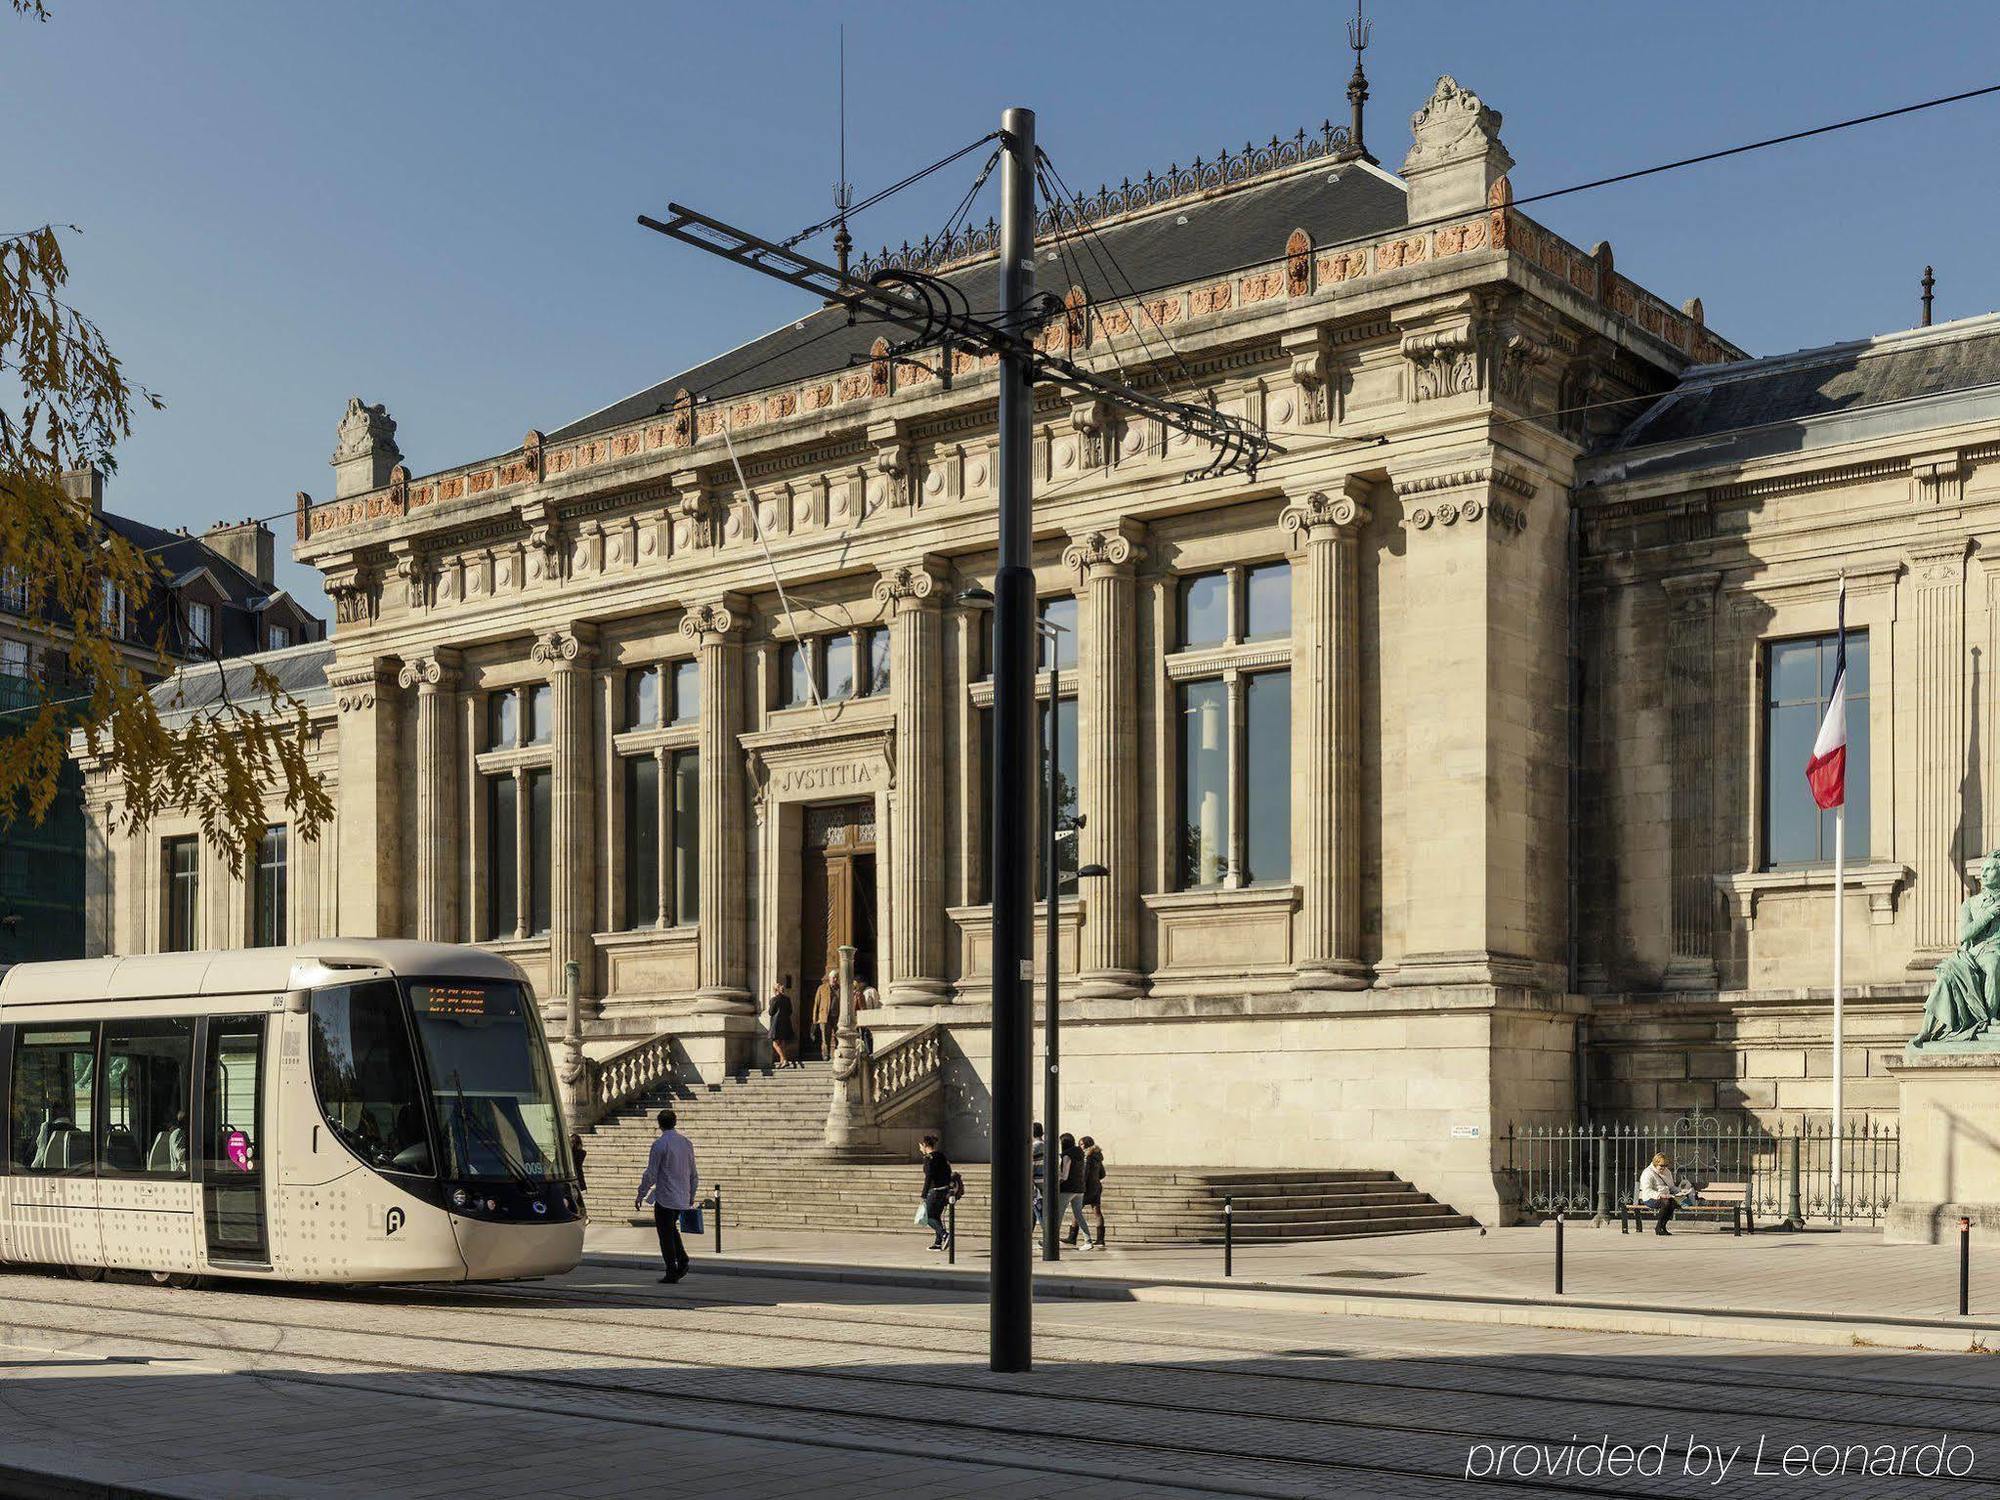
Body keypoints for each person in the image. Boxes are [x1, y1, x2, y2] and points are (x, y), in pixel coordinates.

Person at [1914, 848, 2000, 1045]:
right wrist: (1989, 914)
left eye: (1990, 869)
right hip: (1971, 953)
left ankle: (1991, 1018)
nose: (1984, 874)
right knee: (1946, 976)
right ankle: (1926, 1030)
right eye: (1983, 869)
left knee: (1994, 964)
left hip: (1994, 950)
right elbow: (1964, 934)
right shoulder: (1971, 904)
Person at [635, 1107, 699, 1282]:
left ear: (659, 1125)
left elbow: (651, 1173)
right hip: (682, 1195)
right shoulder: (686, 1143)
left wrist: (641, 1193)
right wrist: (691, 1194)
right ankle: (682, 1260)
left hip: (665, 1197)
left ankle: (672, 1269)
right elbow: (693, 1172)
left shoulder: (660, 1145)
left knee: (665, 1234)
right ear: (675, 1122)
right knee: (671, 1230)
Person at [918, 1133, 954, 1251]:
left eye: (920, 1146)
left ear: (924, 1145)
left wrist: (923, 1194)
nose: (920, 1149)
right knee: (936, 1216)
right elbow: (949, 1171)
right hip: (944, 1190)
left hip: (934, 1191)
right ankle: (938, 1243)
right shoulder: (941, 1156)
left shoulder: (929, 1158)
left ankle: (944, 1234)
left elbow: (929, 1177)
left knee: (928, 1217)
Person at [1057, 1132, 1089, 1248]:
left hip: (1067, 1189)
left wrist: (1056, 1175)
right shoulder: (1080, 1153)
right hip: (1079, 1189)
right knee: (1078, 1215)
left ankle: (1051, 1240)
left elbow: (1064, 1176)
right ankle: (1088, 1241)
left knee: (1058, 1214)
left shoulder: (1067, 1155)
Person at [1636, 1152, 1677, 1236]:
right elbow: (1647, 1190)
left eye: (1666, 1165)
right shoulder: (1647, 1173)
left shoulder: (1667, 1172)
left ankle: (1663, 1226)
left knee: (1673, 1203)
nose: (1664, 1168)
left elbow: (1671, 1186)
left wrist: (1680, 1192)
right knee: (1666, 1203)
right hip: (1650, 1198)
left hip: (1666, 1197)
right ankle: (1659, 1227)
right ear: (1655, 1163)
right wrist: (1660, 1195)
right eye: (1661, 1165)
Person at [1079, 1136, 1106, 1250]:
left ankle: (1072, 1236)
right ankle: (1100, 1239)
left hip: (1087, 1187)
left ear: (1085, 1145)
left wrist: (1081, 1184)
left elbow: (1084, 1173)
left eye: (1081, 1144)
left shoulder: (1087, 1157)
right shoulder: (1098, 1157)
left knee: (1077, 1210)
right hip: (1096, 1186)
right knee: (1097, 1212)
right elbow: (1103, 1174)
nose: (1079, 1146)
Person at [768, 974, 798, 1068]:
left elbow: (770, 1012)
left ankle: (784, 1059)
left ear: (774, 990)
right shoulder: (787, 999)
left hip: (776, 1024)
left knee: (775, 1044)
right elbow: (790, 1011)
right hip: (785, 1023)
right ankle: (782, 1062)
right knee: (783, 1042)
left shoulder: (774, 999)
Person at [813, 967, 839, 1060]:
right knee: (825, 1037)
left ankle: (837, 1054)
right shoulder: (822, 988)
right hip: (824, 1016)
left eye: (836, 977)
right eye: (834, 977)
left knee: (838, 1036)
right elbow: (817, 1003)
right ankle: (825, 1055)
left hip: (837, 1016)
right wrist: (815, 1019)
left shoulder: (840, 989)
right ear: (829, 978)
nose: (835, 979)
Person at [1030, 1121, 1046, 1237]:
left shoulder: (1033, 1147)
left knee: (1039, 1211)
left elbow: (1029, 1166)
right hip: (1045, 1182)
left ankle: (1048, 1238)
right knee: (1033, 1212)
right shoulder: (1047, 1145)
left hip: (1036, 1183)